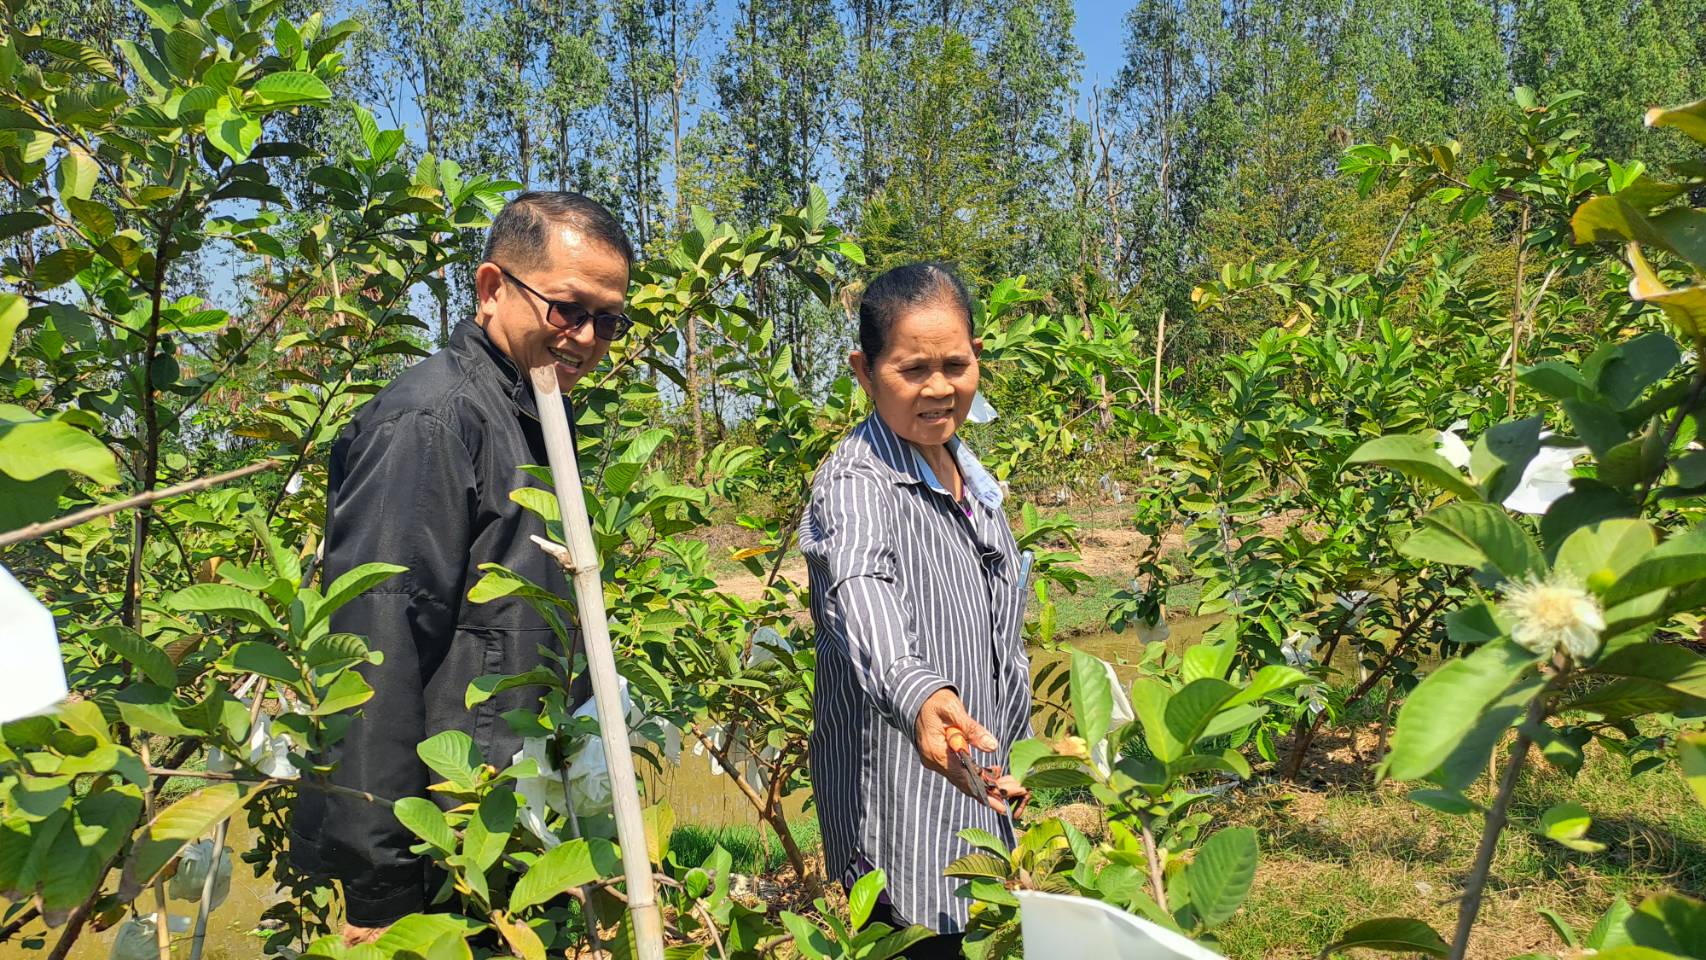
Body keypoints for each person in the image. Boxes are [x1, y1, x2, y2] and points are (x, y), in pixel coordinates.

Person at [289, 191, 634, 945]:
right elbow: (375, 650)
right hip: (437, 848)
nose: (587, 337)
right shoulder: (432, 422)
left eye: (610, 319)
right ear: (491, 289)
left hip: (503, 832)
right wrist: (379, 889)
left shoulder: (539, 416)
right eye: (568, 309)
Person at [800, 262, 1031, 957]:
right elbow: (859, 589)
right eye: (911, 370)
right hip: (903, 819)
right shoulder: (857, 484)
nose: (938, 388)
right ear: (864, 373)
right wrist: (920, 691)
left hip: (981, 787)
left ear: (977, 359)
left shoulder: (966, 472)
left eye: (954, 365)